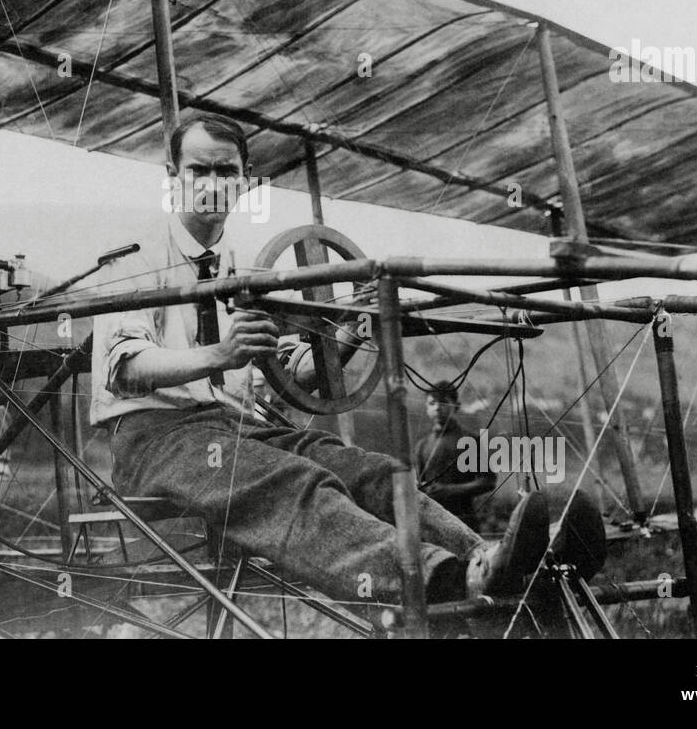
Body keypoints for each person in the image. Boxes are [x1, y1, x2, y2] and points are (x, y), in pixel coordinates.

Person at [92, 113, 601, 607]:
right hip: (153, 439)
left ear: (244, 182)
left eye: (226, 172)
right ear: (172, 177)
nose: (212, 184)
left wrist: (354, 335)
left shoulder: (242, 265)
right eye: (198, 169)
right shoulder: (134, 255)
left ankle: (492, 560)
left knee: (372, 471)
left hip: (234, 427)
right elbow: (128, 370)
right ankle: (446, 579)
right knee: (291, 481)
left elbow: (286, 374)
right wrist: (221, 353)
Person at [414, 381, 494, 533]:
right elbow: (420, 485)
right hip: (432, 525)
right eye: (432, 403)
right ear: (426, 408)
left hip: (464, 522)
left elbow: (487, 481)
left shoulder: (469, 440)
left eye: (444, 402)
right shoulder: (422, 446)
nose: (437, 407)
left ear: (455, 406)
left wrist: (449, 490)